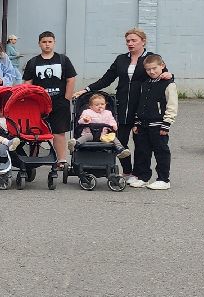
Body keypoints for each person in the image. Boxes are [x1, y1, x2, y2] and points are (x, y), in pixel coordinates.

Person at [79, 28, 156, 172]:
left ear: (143, 41)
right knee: (119, 141)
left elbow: (160, 73)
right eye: (128, 41)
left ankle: (140, 174)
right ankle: (127, 171)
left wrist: (168, 76)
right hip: (122, 107)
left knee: (141, 144)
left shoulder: (150, 57)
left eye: (134, 40)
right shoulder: (121, 59)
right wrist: (86, 90)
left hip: (142, 108)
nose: (130, 43)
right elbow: (107, 79)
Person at [22, 32, 78, 165]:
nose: (47, 44)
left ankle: (61, 160)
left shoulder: (63, 60)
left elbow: (71, 79)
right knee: (35, 133)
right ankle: (33, 160)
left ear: (54, 43)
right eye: (44, 42)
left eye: (50, 42)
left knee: (59, 132)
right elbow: (27, 83)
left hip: (59, 103)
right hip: (39, 105)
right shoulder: (33, 62)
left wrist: (66, 99)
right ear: (39, 43)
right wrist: (29, 100)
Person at [128, 53, 177, 191]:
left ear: (162, 66)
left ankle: (163, 179)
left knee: (161, 152)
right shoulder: (145, 83)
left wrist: (166, 124)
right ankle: (143, 177)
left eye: (154, 68)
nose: (152, 72)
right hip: (143, 125)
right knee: (142, 151)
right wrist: (137, 122)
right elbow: (140, 104)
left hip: (159, 125)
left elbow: (172, 106)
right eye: (148, 69)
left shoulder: (168, 84)